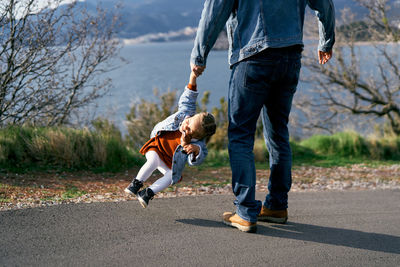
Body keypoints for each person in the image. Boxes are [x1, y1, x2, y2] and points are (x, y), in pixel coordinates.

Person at [191, 0, 335, 232]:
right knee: (278, 133)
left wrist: (199, 56)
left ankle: (246, 212)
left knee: (240, 136)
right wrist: (326, 41)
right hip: (290, 56)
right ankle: (277, 206)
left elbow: (214, 12)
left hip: (253, 56)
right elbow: (324, 4)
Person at [125, 72, 216, 208]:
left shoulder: (197, 144)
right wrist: (193, 77)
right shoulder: (187, 112)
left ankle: (147, 193)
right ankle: (136, 183)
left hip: (168, 162)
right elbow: (188, 98)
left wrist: (196, 151)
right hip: (156, 146)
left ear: (198, 137)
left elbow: (199, 158)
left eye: (191, 131)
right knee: (153, 160)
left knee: (172, 177)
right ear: (191, 116)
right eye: (189, 122)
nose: (186, 126)